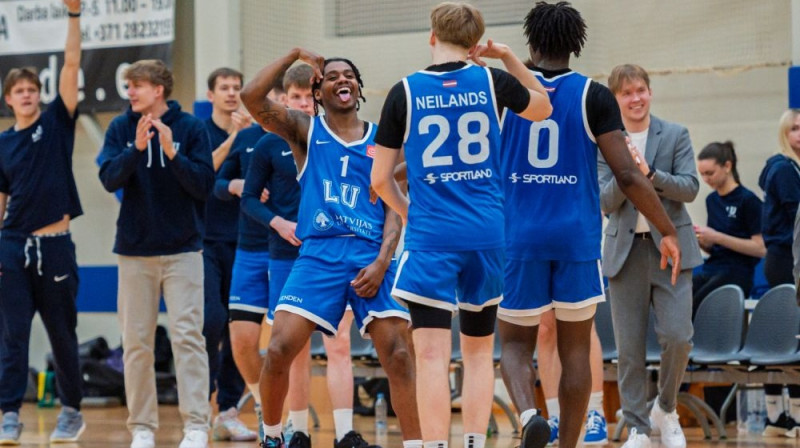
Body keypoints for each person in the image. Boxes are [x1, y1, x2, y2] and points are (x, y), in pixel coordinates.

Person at [494, 4, 682, 448]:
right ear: (576, 43)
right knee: (575, 348)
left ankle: (528, 415)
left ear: (532, 42)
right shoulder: (594, 96)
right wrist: (665, 229)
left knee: (517, 346)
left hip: (518, 234)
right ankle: (568, 445)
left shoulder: (504, 89)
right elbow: (629, 175)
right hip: (576, 236)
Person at [370, 4, 553, 448]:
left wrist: (410, 211)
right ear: (476, 46)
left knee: (431, 356)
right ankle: (473, 442)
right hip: (487, 236)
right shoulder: (492, 80)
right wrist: (508, 58)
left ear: (432, 36)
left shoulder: (404, 92)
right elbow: (544, 107)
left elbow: (379, 179)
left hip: (433, 236)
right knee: (477, 353)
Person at [241, 48, 422, 448]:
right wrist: (291, 56)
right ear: (318, 92)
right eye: (332, 76)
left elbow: (395, 208)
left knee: (398, 353)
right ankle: (273, 436)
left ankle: (415, 444)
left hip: (370, 255)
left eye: (349, 75)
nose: (342, 79)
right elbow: (251, 97)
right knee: (278, 349)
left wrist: (382, 261)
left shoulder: (386, 141)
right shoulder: (306, 131)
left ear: (357, 89)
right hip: (318, 254)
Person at [227, 64, 364, 446]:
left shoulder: (338, 138)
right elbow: (249, 199)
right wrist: (279, 224)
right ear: (284, 100)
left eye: (309, 96)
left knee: (338, 343)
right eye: (296, 97)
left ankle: (345, 432)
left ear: (318, 98)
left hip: (335, 253)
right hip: (286, 257)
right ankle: (298, 429)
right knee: (293, 349)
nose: (303, 102)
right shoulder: (271, 143)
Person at [98, 59, 214, 448]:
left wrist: (171, 152)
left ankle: (197, 425)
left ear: (158, 90)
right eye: (129, 86)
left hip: (183, 250)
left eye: (137, 86)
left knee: (187, 337)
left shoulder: (192, 129)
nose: (129, 92)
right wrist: (137, 148)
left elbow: (203, 186)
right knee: (136, 342)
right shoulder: (120, 128)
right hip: (134, 252)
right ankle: (142, 428)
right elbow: (108, 178)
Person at [600, 63, 701, 448]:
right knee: (629, 350)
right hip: (625, 253)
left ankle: (666, 407)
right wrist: (629, 174)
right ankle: (639, 428)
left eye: (640, 89)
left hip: (672, 250)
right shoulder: (603, 141)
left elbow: (690, 188)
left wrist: (651, 174)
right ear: (615, 99)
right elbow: (603, 200)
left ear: (650, 92)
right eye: (626, 93)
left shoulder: (674, 134)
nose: (636, 98)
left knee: (679, 337)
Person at [0, 0, 86, 443]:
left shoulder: (56, 123)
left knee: (62, 336)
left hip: (54, 247)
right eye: (19, 91)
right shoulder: (2, 144)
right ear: (9, 99)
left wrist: (74, 16)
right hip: (12, 247)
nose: (28, 95)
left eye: (33, 89)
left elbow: (72, 62)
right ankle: (9, 413)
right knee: (12, 337)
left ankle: (72, 410)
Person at [201, 67, 256, 442]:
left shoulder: (255, 134)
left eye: (238, 87)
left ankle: (230, 409)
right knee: (210, 321)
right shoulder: (198, 132)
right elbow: (205, 175)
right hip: (203, 239)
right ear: (211, 95)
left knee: (239, 328)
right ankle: (201, 405)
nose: (232, 93)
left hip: (244, 240)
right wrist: (237, 135)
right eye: (225, 88)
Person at [757, 109, 800, 437]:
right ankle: (781, 416)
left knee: (788, 336)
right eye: (795, 129)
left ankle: (781, 417)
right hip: (786, 258)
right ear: (784, 133)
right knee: (787, 338)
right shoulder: (784, 170)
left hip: (786, 256)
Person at [693, 141, 765, 312]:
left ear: (727, 166)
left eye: (710, 173)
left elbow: (760, 248)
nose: (706, 179)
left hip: (737, 271)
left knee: (699, 305)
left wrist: (716, 236)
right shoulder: (711, 200)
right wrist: (701, 240)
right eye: (702, 174)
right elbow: (715, 248)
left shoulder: (748, 200)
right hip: (712, 267)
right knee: (679, 298)